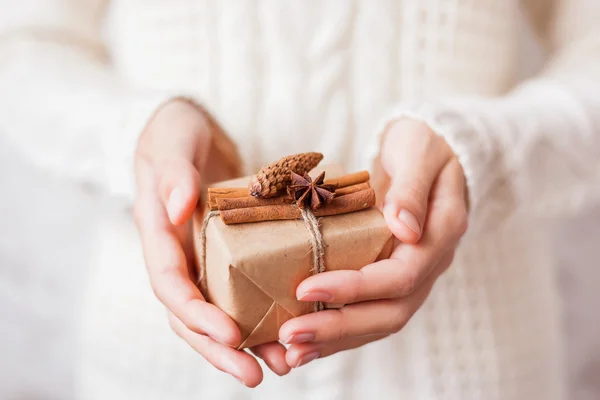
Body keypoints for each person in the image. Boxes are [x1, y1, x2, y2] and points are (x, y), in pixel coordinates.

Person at [1, 1, 599, 399]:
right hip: (159, 371)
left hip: (471, 371)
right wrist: (133, 132)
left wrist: (484, 151)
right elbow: (21, 43)